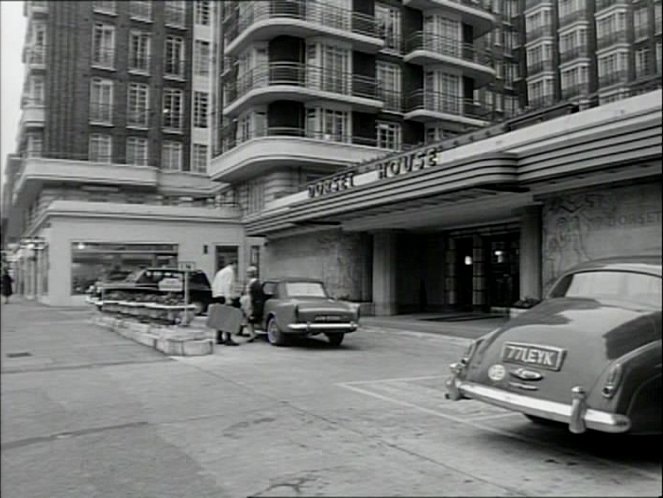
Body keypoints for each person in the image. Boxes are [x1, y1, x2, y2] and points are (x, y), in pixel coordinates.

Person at [211, 260, 239, 346]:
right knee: (228, 318)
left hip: (217, 295)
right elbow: (227, 285)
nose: (236, 268)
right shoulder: (230, 272)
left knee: (220, 318)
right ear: (234, 264)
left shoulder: (220, 272)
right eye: (236, 266)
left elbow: (214, 285)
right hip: (224, 296)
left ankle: (218, 337)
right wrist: (228, 298)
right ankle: (228, 338)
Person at [240, 266, 263, 343]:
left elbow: (257, 297)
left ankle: (252, 334)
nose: (247, 274)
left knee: (249, 318)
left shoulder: (255, 284)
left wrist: (255, 309)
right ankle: (251, 333)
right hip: (247, 302)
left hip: (250, 303)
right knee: (246, 318)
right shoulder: (251, 282)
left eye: (248, 272)